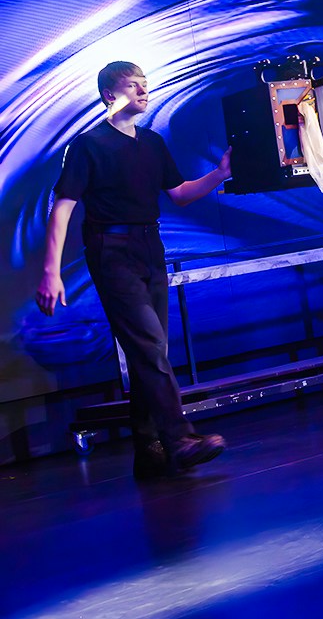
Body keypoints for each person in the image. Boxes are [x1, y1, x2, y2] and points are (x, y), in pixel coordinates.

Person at [36, 61, 232, 477]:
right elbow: (63, 209)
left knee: (152, 349)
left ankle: (149, 449)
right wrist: (51, 272)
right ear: (110, 95)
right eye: (133, 85)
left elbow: (179, 194)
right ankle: (180, 439)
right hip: (111, 250)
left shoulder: (152, 142)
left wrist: (219, 174)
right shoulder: (88, 145)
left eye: (145, 85)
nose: (144, 91)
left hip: (149, 245)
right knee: (147, 346)